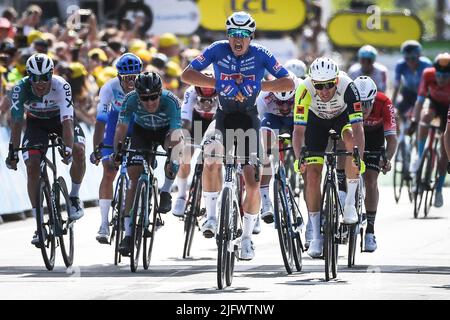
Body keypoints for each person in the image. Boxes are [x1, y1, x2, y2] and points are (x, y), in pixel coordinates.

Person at [181, 11, 294, 260]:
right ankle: (211, 218)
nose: (237, 40)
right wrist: (218, 83)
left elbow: (288, 83)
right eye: (233, 34)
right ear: (227, 35)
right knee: (210, 157)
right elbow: (186, 75)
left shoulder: (261, 54)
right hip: (223, 117)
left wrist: (259, 85)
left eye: (243, 35)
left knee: (252, 181)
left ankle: (245, 239)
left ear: (251, 36)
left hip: (248, 120)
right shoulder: (216, 49)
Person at [5, 53, 86, 246]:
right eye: (35, 78)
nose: (40, 83)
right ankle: (39, 222)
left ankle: (74, 196)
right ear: (28, 76)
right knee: (32, 167)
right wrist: (13, 152)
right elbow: (16, 124)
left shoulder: (61, 86)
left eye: (45, 78)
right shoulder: (20, 89)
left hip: (59, 122)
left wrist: (67, 149)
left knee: (79, 150)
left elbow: (67, 122)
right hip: (36, 125)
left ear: (51, 74)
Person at [292, 57, 365, 258]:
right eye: (319, 86)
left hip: (342, 119)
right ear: (312, 82)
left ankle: (349, 203)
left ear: (336, 80)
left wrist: (359, 155)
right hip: (315, 123)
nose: (324, 91)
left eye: (329, 85)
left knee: (351, 142)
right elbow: (298, 131)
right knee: (313, 176)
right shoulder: (304, 89)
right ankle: (315, 235)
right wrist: (300, 159)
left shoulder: (349, 86)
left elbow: (358, 128)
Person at [113, 72, 183, 255]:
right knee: (133, 180)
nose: (150, 102)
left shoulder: (171, 101)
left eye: (153, 97)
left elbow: (176, 133)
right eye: (144, 98)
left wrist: (171, 158)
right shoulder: (130, 99)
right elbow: (121, 128)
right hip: (141, 132)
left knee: (175, 151)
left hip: (165, 132)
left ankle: (166, 191)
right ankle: (128, 235)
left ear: (160, 92)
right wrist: (117, 152)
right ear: (137, 95)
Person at [90, 53, 142, 244]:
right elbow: (101, 121)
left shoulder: (144, 86)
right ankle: (104, 224)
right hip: (115, 123)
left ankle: (141, 209)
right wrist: (98, 148)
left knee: (136, 171)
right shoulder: (109, 88)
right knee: (109, 171)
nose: (130, 81)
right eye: (127, 78)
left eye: (134, 77)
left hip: (137, 125)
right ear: (119, 76)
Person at [353, 76, 397, 252]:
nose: (363, 109)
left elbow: (392, 139)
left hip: (374, 138)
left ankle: (370, 230)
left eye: (367, 104)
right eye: (359, 104)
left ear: (373, 99)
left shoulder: (384, 102)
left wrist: (387, 158)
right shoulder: (347, 100)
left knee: (371, 180)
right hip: (354, 135)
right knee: (350, 172)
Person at [172, 71, 218, 218]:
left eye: (210, 99)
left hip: (215, 122)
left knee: (217, 162)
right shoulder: (191, 91)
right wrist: (183, 139)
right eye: (202, 99)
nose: (206, 103)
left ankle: (215, 202)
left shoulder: (222, 92)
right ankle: (181, 196)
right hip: (196, 123)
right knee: (184, 155)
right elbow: (185, 120)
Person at [257, 70, 300, 225]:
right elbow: (257, 123)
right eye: (280, 102)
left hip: (296, 120)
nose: (284, 107)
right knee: (265, 148)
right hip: (272, 119)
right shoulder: (264, 97)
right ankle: (266, 200)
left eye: (289, 102)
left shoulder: (301, 89)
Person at [409, 52, 450, 207]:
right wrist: (414, 120)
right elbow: (420, 102)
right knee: (425, 117)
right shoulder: (427, 75)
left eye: (446, 77)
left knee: (445, 150)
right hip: (433, 103)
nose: (441, 80)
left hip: (448, 109)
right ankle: (420, 157)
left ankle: (438, 189)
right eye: (438, 76)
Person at [391, 40, 432, 123]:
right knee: (399, 106)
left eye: (413, 58)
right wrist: (391, 105)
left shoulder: (427, 64)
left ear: (419, 56)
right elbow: (396, 86)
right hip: (408, 92)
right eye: (407, 58)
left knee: (423, 112)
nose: (410, 61)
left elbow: (431, 86)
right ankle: (404, 126)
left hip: (424, 93)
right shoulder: (400, 65)